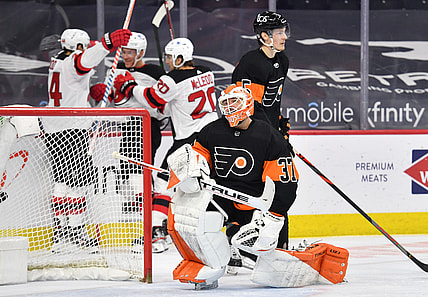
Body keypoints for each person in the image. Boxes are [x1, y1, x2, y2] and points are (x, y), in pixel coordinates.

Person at [165, 85, 348, 289]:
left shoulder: (268, 136)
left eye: (234, 102)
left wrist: (275, 216)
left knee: (271, 263)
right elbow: (196, 159)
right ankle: (213, 264)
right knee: (196, 220)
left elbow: (286, 182)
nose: (229, 107)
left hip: (257, 205)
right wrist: (191, 173)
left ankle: (245, 242)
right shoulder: (211, 131)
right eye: (225, 103)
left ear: (247, 104)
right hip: (221, 200)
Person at [42, 28, 131, 253]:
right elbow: (83, 62)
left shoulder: (57, 60)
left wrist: (90, 93)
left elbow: (71, 86)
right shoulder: (72, 62)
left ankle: (61, 233)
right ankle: (74, 231)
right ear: (77, 47)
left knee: (62, 181)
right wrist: (107, 43)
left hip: (54, 128)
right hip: (72, 129)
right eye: (84, 46)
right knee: (80, 182)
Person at [112, 36, 218, 223]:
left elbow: (151, 98)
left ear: (179, 59)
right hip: (212, 135)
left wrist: (130, 87)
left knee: (162, 183)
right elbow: (175, 104)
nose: (167, 61)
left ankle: (156, 229)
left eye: (170, 57)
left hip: (188, 141)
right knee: (202, 185)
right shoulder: (206, 72)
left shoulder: (172, 80)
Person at [90, 31, 171, 253]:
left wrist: (131, 88)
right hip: (127, 128)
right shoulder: (116, 69)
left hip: (146, 128)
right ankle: (155, 225)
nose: (126, 55)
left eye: (131, 52)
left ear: (141, 52)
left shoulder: (154, 72)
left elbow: (161, 105)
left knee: (139, 179)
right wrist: (101, 94)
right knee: (128, 182)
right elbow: (115, 103)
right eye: (124, 51)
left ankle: (155, 232)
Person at [232, 10, 293, 250]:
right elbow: (247, 109)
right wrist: (270, 134)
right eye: (279, 32)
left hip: (270, 137)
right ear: (264, 36)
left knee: (281, 189)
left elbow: (272, 103)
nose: (284, 37)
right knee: (251, 194)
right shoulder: (251, 63)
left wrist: (279, 126)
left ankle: (281, 247)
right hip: (250, 139)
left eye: (284, 31)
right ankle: (237, 243)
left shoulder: (282, 60)